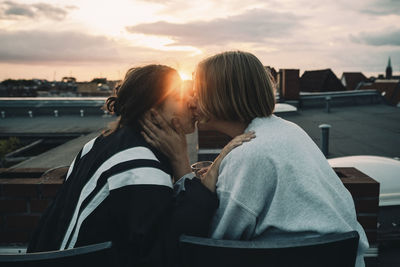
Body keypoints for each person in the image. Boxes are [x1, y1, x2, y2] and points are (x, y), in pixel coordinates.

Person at [142, 51, 369, 267]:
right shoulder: (287, 130)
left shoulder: (249, 153)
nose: (191, 101)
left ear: (223, 95)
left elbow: (211, 241)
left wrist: (183, 172)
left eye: (198, 90)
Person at [27, 64, 245, 267]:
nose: (193, 103)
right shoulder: (140, 166)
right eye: (180, 96)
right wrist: (196, 171)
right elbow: (170, 252)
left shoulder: (100, 143)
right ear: (153, 111)